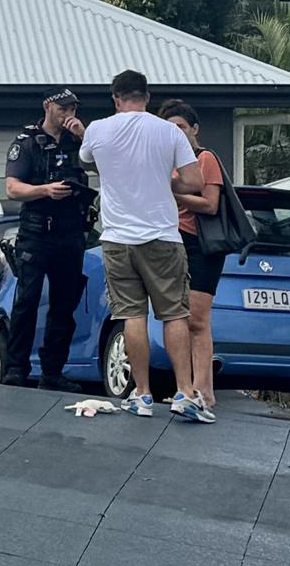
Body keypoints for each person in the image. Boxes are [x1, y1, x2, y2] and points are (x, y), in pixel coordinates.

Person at [78, 70, 211, 423]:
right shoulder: (168, 131)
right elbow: (195, 181)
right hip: (162, 236)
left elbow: (86, 160)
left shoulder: (98, 129)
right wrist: (166, 178)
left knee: (131, 316)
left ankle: (143, 394)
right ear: (147, 97)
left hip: (118, 238)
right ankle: (184, 392)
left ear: (116, 99)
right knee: (174, 314)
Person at [0, 87, 90, 393]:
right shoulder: (27, 141)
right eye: (63, 108)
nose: (68, 114)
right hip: (36, 234)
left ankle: (53, 371)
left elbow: (109, 165)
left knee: (65, 306)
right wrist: (46, 190)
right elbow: (12, 188)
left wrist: (84, 136)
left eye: (72, 108)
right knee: (27, 302)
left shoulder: (80, 141)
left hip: (71, 233)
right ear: (48, 106)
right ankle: (16, 369)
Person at [161, 99, 223, 420]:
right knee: (177, 318)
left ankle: (204, 389)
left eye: (182, 127)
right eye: (170, 128)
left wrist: (173, 192)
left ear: (194, 129)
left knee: (197, 319)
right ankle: (184, 387)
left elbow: (210, 204)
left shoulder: (205, 158)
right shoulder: (166, 163)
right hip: (172, 243)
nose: (177, 133)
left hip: (201, 244)